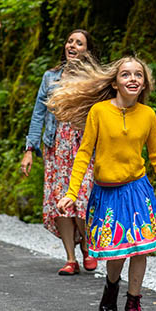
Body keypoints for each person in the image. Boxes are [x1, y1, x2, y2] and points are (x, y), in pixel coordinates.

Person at [51, 56, 156, 311]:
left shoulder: (148, 115)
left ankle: (133, 305)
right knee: (117, 252)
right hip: (107, 192)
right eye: (126, 75)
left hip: (137, 190)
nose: (133, 79)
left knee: (141, 248)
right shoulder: (99, 112)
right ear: (115, 82)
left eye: (138, 75)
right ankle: (111, 287)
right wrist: (71, 193)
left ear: (144, 83)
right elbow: (85, 152)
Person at [20, 30, 98, 276]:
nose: (72, 45)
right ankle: (70, 257)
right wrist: (29, 149)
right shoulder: (50, 77)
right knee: (59, 202)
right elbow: (38, 114)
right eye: (70, 41)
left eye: (79, 43)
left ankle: (86, 243)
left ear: (87, 50)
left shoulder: (95, 78)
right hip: (56, 148)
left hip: (83, 146)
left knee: (82, 199)